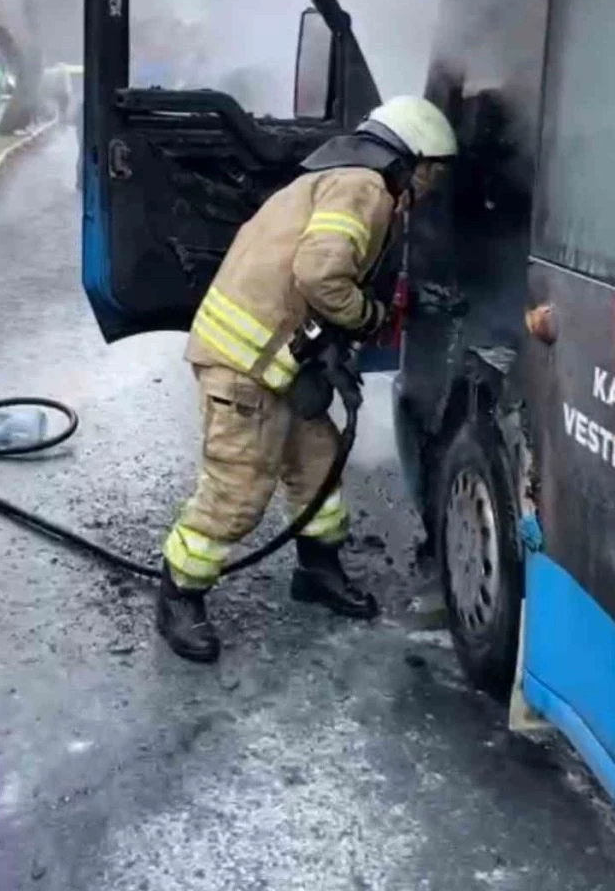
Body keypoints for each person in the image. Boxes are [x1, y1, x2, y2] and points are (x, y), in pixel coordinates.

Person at [157, 95, 458, 662]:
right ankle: (180, 593)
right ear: (410, 160)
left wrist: (326, 354)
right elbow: (321, 275)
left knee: (314, 459)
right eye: (433, 171)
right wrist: (369, 318)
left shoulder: (342, 179)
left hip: (272, 358)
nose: (434, 185)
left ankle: (317, 570)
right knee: (239, 489)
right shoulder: (366, 188)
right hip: (245, 364)